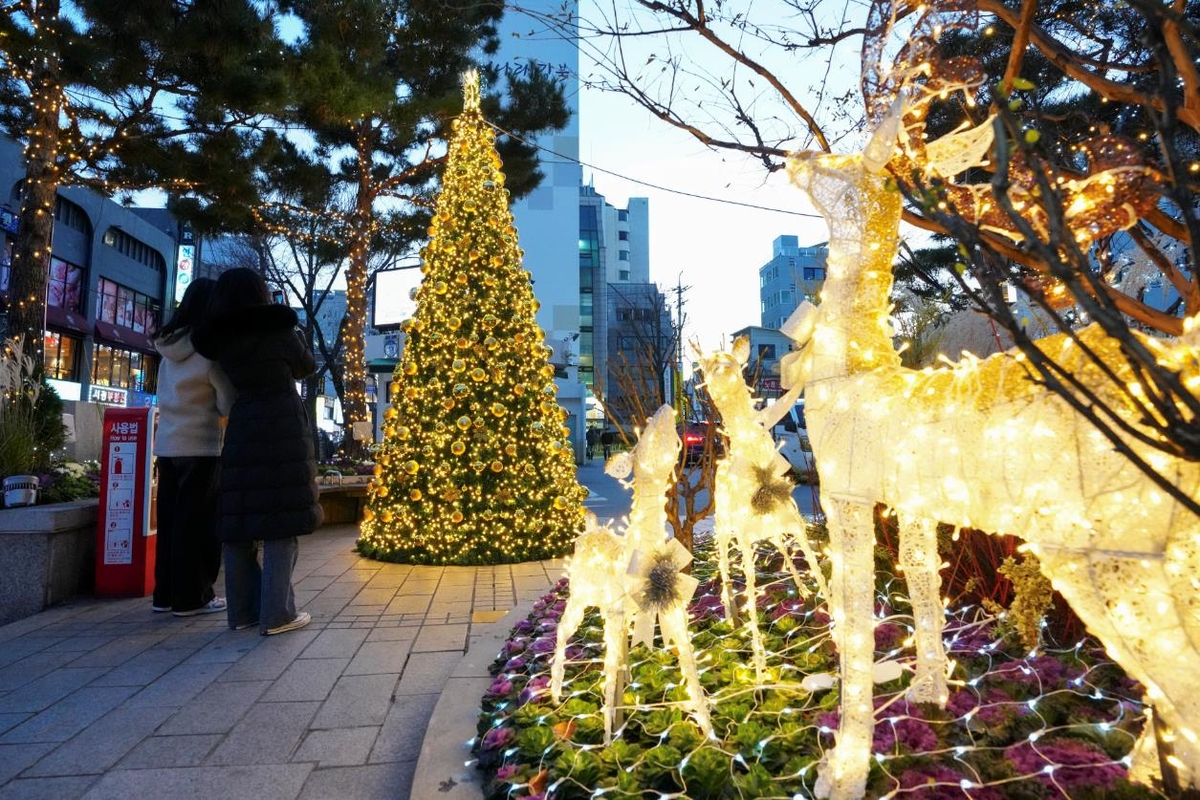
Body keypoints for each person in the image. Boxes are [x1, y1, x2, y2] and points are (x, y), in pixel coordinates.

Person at [193, 268, 322, 635]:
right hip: (282, 422)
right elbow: (306, 366)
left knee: (240, 523)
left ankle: (243, 613)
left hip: (243, 420)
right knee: (283, 520)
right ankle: (278, 615)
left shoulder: (220, 337)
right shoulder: (279, 329)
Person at [151, 278, 234, 617]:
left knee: (171, 523)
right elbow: (227, 403)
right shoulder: (208, 353)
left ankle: (165, 596)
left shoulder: (167, 350)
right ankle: (193, 596)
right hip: (200, 447)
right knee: (197, 525)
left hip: (168, 446)